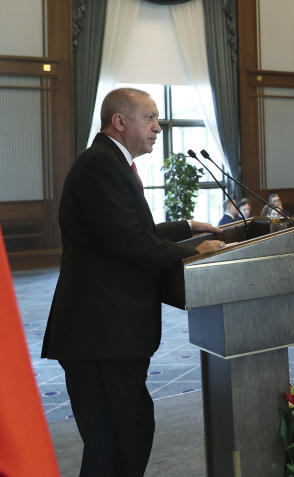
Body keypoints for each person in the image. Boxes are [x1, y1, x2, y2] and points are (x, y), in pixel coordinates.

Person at [41, 87, 223, 477]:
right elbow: (127, 241)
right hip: (101, 334)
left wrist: (187, 227)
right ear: (119, 122)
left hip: (109, 334)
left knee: (128, 435)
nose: (158, 127)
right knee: (115, 445)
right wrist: (194, 252)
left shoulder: (110, 163)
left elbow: (127, 229)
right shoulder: (100, 165)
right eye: (150, 118)